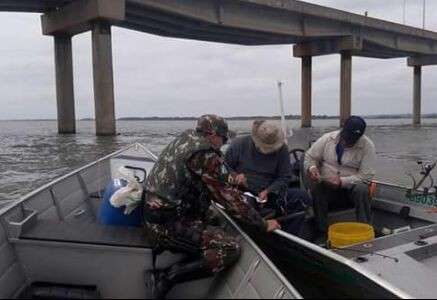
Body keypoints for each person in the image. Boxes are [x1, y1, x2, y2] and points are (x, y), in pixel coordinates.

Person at [144, 114, 280, 299]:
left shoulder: (187, 138)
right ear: (213, 135)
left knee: (215, 220)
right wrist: (262, 224)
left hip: (155, 210)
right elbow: (229, 199)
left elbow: (210, 174)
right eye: (223, 139)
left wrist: (232, 180)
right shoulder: (204, 152)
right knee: (230, 249)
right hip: (165, 224)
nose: (223, 143)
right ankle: (165, 277)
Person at [225, 120, 311, 237]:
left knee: (302, 197)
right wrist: (234, 177)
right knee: (245, 205)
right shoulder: (238, 145)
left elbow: (285, 176)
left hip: (270, 194)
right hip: (244, 193)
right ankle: (255, 235)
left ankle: (288, 237)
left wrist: (269, 190)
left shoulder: (282, 149)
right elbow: (224, 169)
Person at [304, 116, 376, 240]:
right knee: (317, 189)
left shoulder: (368, 146)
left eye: (352, 140)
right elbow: (310, 157)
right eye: (346, 138)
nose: (348, 142)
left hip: (351, 189)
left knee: (362, 189)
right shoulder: (327, 139)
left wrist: (342, 182)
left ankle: (364, 228)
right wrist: (312, 168)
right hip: (326, 186)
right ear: (342, 130)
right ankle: (322, 231)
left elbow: (366, 176)